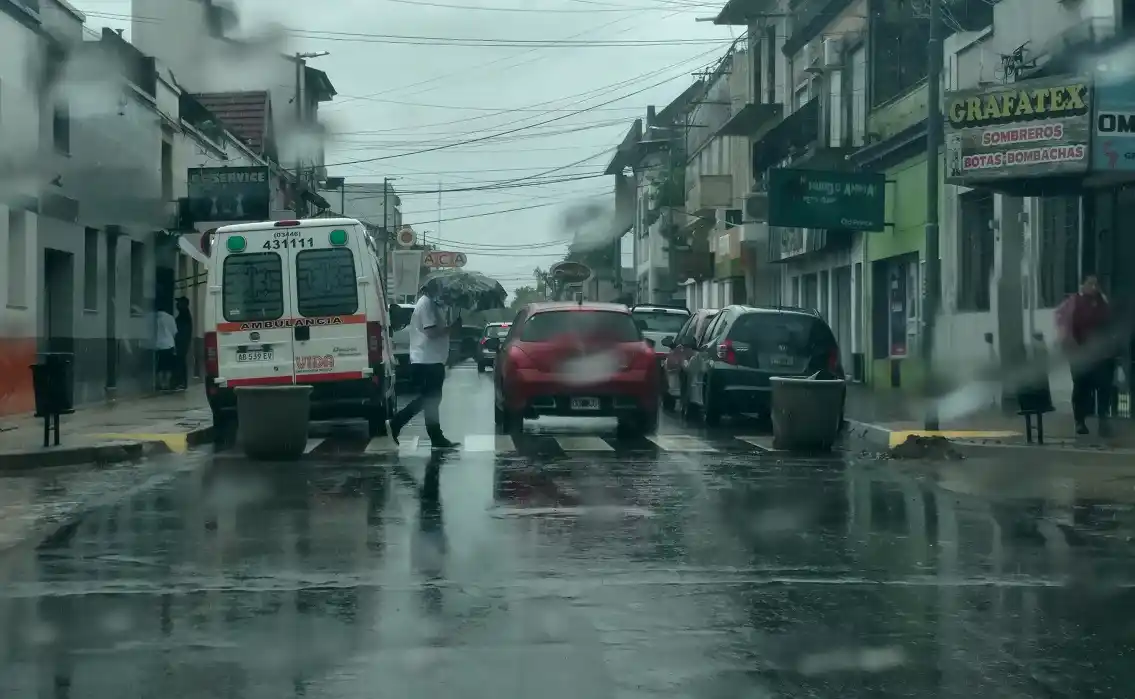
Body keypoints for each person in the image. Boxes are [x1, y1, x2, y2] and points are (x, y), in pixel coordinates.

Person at [388, 291, 461, 448]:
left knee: (431, 399)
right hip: (427, 360)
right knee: (430, 399)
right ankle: (397, 423)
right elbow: (430, 331)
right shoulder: (427, 303)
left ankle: (435, 436)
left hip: (433, 359)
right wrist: (450, 328)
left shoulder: (433, 304)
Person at [1058, 274, 1114, 436]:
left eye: (1096, 284)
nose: (1094, 287)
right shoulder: (1074, 302)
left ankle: (1103, 421)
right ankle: (1079, 421)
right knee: (1081, 388)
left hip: (1101, 355)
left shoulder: (1102, 303)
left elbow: (1109, 325)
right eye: (1090, 284)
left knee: (1103, 388)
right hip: (1080, 355)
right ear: (1082, 285)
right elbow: (1068, 327)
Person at [154, 301, 178, 391]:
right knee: (168, 367)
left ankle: (160, 384)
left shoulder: (154, 318)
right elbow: (174, 332)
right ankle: (166, 384)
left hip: (157, 345)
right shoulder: (170, 318)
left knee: (160, 366)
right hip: (169, 344)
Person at [173, 297, 193, 390]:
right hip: (182, 342)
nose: (177, 305)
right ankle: (181, 382)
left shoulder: (184, 316)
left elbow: (182, 330)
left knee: (180, 362)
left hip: (182, 342)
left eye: (179, 303)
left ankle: (181, 382)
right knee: (180, 362)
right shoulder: (184, 314)